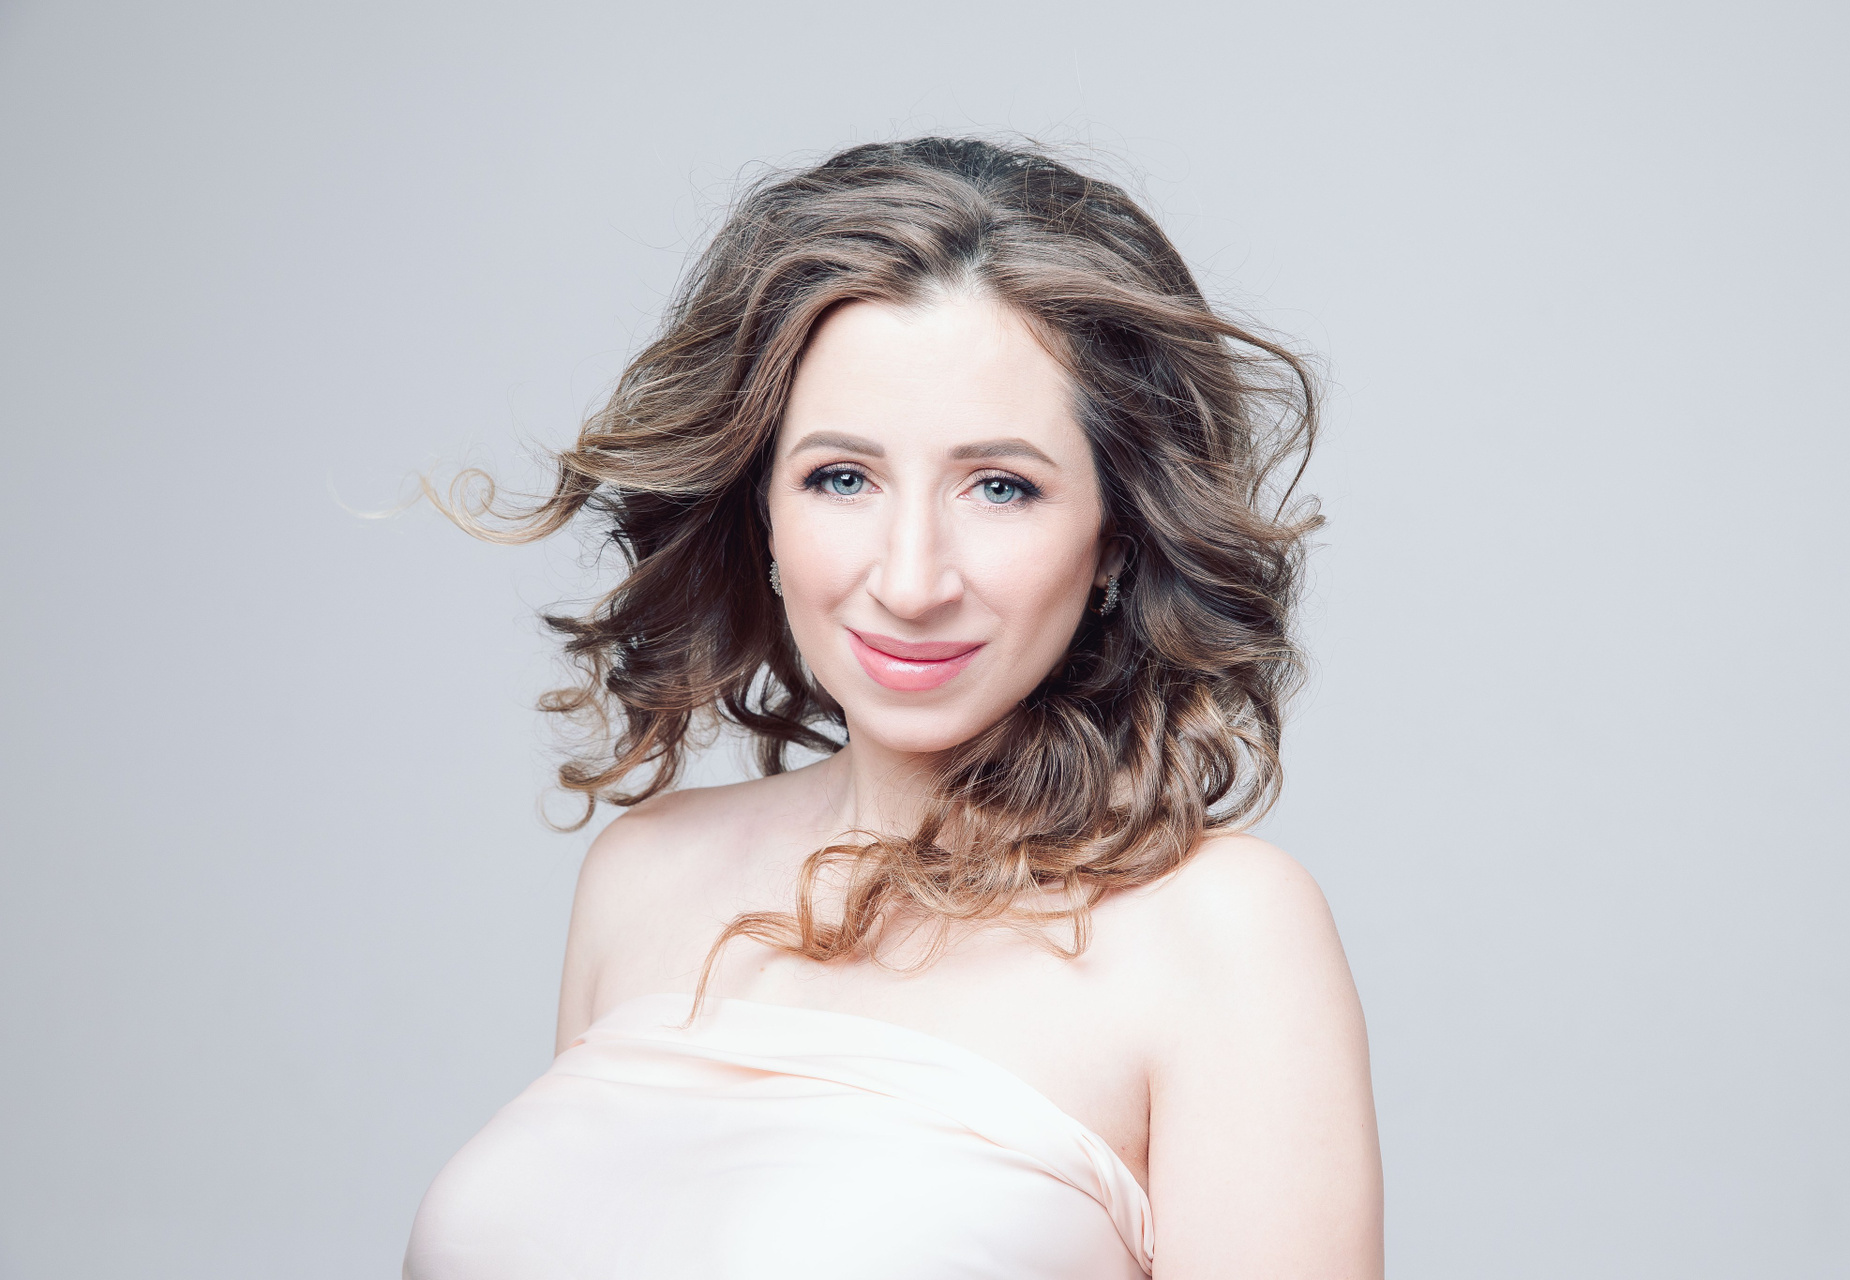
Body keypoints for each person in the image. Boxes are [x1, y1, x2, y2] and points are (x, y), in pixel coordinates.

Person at [403, 136, 1382, 1279]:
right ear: (761, 508)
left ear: (1116, 535)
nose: (912, 580)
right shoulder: (643, 873)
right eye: (842, 477)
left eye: (1002, 485)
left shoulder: (1217, 930)